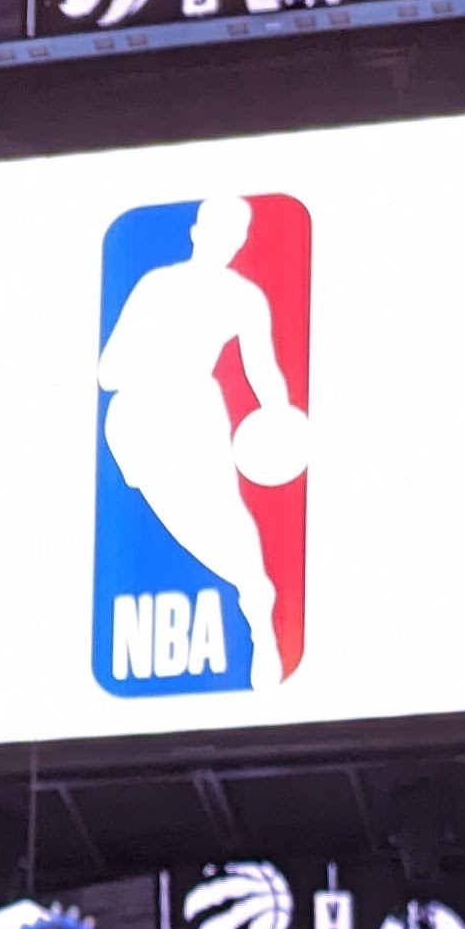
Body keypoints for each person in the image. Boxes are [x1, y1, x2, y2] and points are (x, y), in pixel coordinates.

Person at [99, 195, 304, 687]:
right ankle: (253, 594)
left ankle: (260, 614)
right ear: (197, 231)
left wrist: (279, 419)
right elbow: (108, 370)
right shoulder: (155, 285)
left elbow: (264, 371)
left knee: (226, 515)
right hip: (141, 416)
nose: (225, 240)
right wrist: (154, 363)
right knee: (189, 522)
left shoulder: (244, 297)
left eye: (235, 232)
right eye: (217, 228)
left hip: (194, 411)